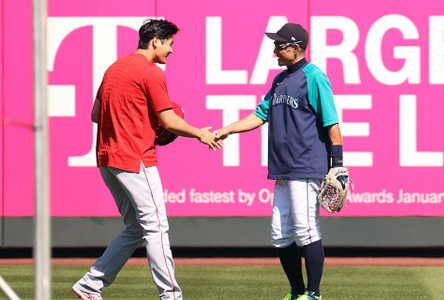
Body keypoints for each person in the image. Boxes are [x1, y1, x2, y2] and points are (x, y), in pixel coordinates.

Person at [72, 18, 221, 300]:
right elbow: (169, 120)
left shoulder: (114, 68)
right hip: (134, 158)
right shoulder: (150, 72)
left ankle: (90, 284)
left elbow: (95, 115)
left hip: (107, 158)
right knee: (156, 226)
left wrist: (136, 120)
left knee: (138, 228)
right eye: (170, 44)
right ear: (156, 41)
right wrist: (200, 133)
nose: (172, 50)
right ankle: (171, 295)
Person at [214, 23, 343, 300]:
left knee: (307, 229)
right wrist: (229, 128)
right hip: (283, 168)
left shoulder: (315, 77)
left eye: (279, 45)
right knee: (280, 235)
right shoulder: (280, 80)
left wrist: (338, 162)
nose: (275, 50)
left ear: (296, 48)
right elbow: (260, 115)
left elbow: (331, 122)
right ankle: (296, 291)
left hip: (306, 166)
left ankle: (313, 293)